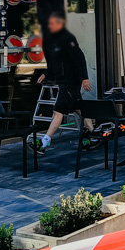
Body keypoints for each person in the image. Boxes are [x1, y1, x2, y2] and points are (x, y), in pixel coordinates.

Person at [30, 10, 91, 153]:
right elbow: (55, 62)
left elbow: (80, 58)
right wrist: (46, 73)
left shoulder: (67, 38)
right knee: (80, 109)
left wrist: (84, 78)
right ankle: (94, 134)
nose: (49, 26)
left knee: (58, 112)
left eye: (52, 24)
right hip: (64, 81)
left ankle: (44, 142)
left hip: (70, 81)